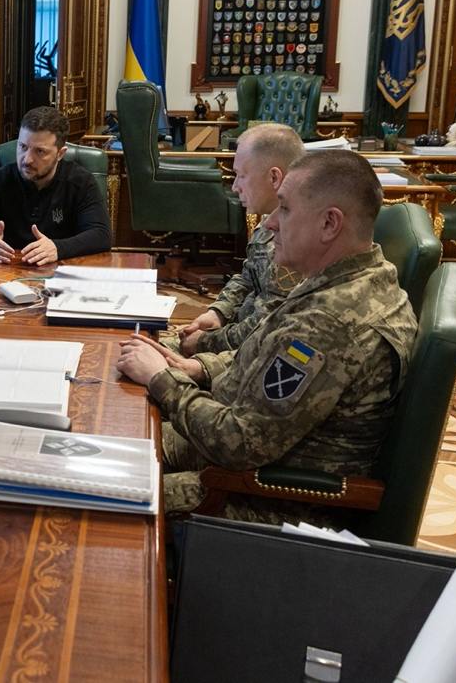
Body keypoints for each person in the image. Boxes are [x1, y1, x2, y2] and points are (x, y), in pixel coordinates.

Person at [117, 150, 417, 526]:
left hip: (275, 497)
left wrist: (162, 380)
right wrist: (199, 368)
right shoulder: (353, 278)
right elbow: (265, 351)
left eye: (285, 209)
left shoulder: (328, 323)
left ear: (329, 223)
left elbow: (238, 444)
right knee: (120, 437)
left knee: (110, 491)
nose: (271, 223)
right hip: (259, 451)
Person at [176, 123, 305, 355]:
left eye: (241, 176)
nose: (235, 187)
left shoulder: (295, 240)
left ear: (274, 177)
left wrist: (203, 343)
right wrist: (218, 312)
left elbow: (265, 326)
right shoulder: (270, 222)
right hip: (237, 338)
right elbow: (247, 278)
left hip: (258, 351)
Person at [0, 106, 112, 266]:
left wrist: (58, 248)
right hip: (8, 268)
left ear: (60, 153)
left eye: (40, 151)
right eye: (23, 147)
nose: (27, 160)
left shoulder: (81, 182)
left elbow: (101, 235)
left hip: (63, 269)